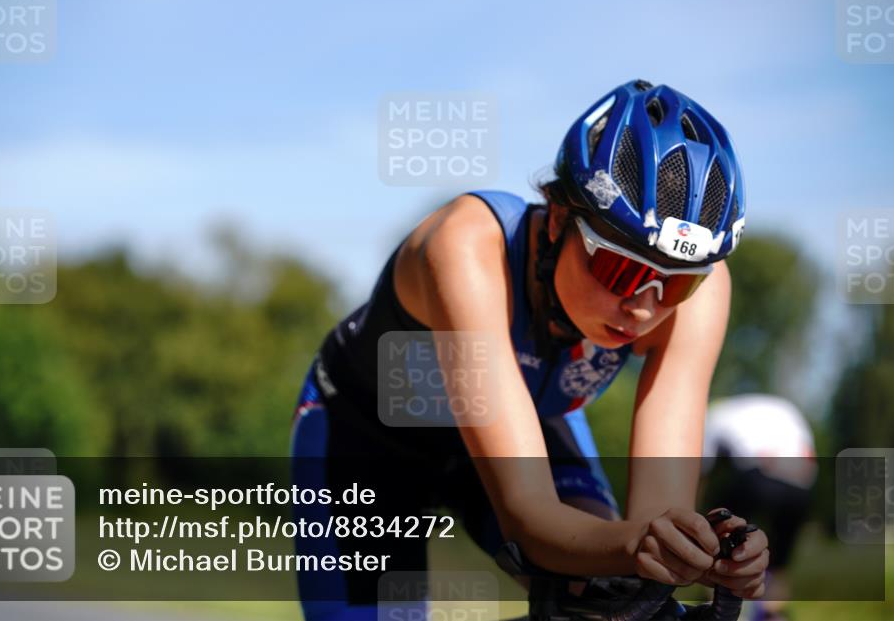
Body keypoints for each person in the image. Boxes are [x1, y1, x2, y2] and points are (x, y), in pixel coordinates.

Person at [290, 79, 767, 620]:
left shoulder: (701, 295)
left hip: (527, 427)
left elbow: (657, 522)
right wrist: (638, 546)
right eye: (620, 269)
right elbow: (529, 515)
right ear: (560, 215)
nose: (643, 307)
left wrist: (698, 554)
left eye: (677, 284)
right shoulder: (467, 245)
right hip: (370, 440)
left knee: (617, 598)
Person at [702, 394, 817, 621]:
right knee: (781, 559)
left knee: (719, 530)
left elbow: (700, 470)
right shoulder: (781, 406)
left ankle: (716, 606)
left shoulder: (713, 416)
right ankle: (774, 613)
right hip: (803, 480)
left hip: (759, 473)